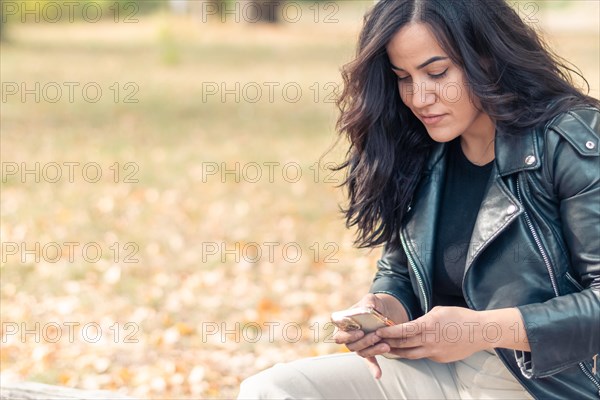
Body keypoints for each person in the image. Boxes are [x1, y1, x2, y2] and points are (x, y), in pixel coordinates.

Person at [238, 0, 600, 398]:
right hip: (436, 375)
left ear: (488, 57)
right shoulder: (422, 148)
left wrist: (482, 329)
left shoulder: (570, 140)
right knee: (271, 389)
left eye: (437, 72)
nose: (419, 97)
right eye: (403, 77)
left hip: (544, 385)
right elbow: (400, 274)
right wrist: (382, 310)